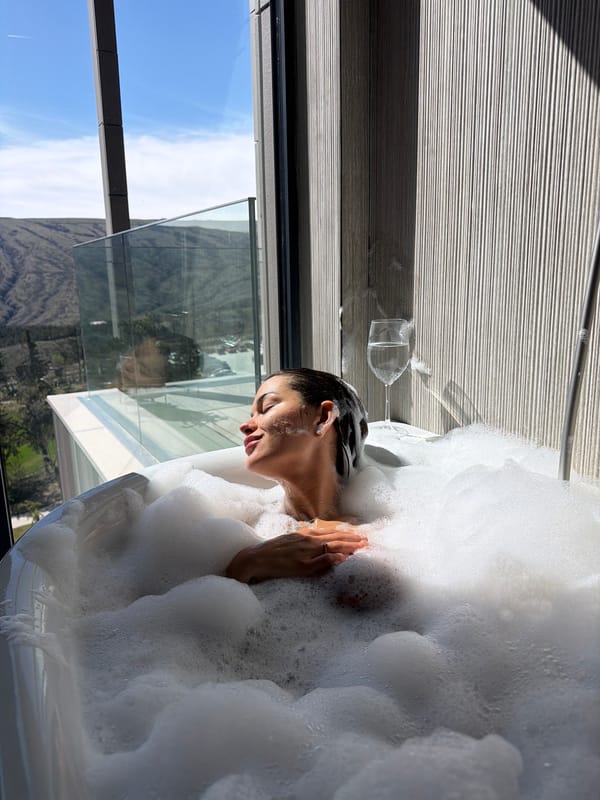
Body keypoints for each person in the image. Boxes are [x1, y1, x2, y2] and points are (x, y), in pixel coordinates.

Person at [226, 368, 370, 583]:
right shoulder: (237, 520)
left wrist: (246, 567)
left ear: (322, 418)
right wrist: (247, 563)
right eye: (252, 415)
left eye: (267, 407)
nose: (245, 426)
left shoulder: (362, 541)